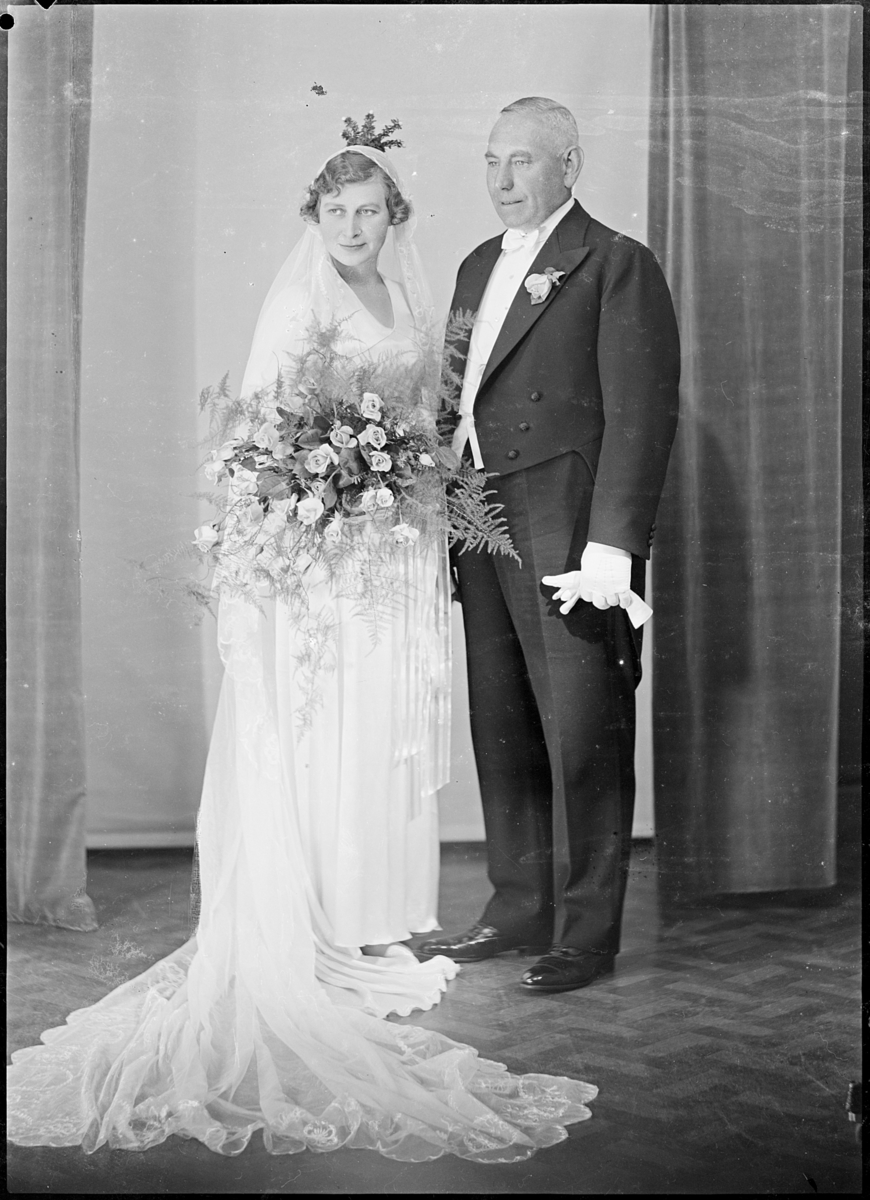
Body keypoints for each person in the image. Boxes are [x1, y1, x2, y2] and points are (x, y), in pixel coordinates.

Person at [7, 140, 597, 1161]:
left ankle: (369, 916)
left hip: (396, 544)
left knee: (379, 728)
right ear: (314, 219)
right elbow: (255, 438)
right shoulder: (298, 303)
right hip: (328, 556)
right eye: (337, 213)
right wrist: (328, 484)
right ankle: (316, 923)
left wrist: (403, 471)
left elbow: (432, 418)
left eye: (369, 211)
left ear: (392, 216)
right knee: (328, 728)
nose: (354, 229)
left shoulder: (408, 297)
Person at [420, 97, 680, 993]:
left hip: (565, 518)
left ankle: (586, 933)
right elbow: (455, 399)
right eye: (492, 161)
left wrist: (614, 546)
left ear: (569, 166)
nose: (502, 180)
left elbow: (641, 414)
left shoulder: (615, 261)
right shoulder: (475, 263)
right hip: (477, 511)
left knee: (583, 728)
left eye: (522, 161)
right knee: (502, 723)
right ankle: (517, 908)